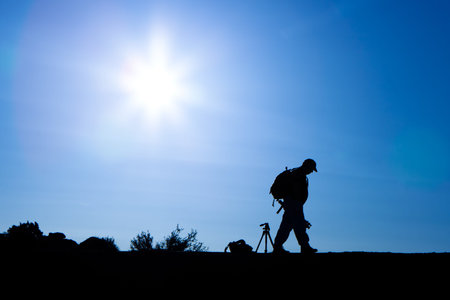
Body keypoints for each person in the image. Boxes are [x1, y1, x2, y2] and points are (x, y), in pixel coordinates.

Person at [273, 159, 318, 254]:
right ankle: (305, 246)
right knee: (299, 224)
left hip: (292, 202)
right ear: (307, 166)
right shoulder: (298, 175)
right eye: (311, 169)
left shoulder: (297, 173)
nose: (311, 172)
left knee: (286, 225)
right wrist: (295, 205)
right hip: (294, 202)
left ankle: (278, 246)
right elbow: (296, 192)